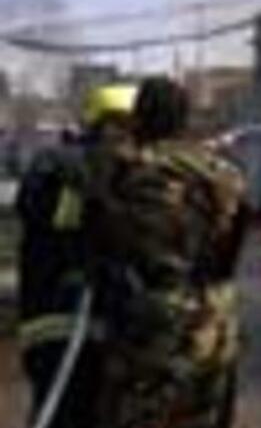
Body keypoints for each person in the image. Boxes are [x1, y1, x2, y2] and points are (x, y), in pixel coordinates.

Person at [86, 77, 246, 428]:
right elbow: (231, 244)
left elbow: (107, 237)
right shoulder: (224, 172)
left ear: (140, 118)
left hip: (156, 321)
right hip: (216, 319)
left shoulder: (129, 168)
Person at [16, 83, 138, 428]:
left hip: (106, 328)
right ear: (97, 126)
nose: (126, 136)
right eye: (118, 125)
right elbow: (55, 220)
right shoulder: (57, 167)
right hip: (58, 321)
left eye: (132, 126)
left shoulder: (130, 173)